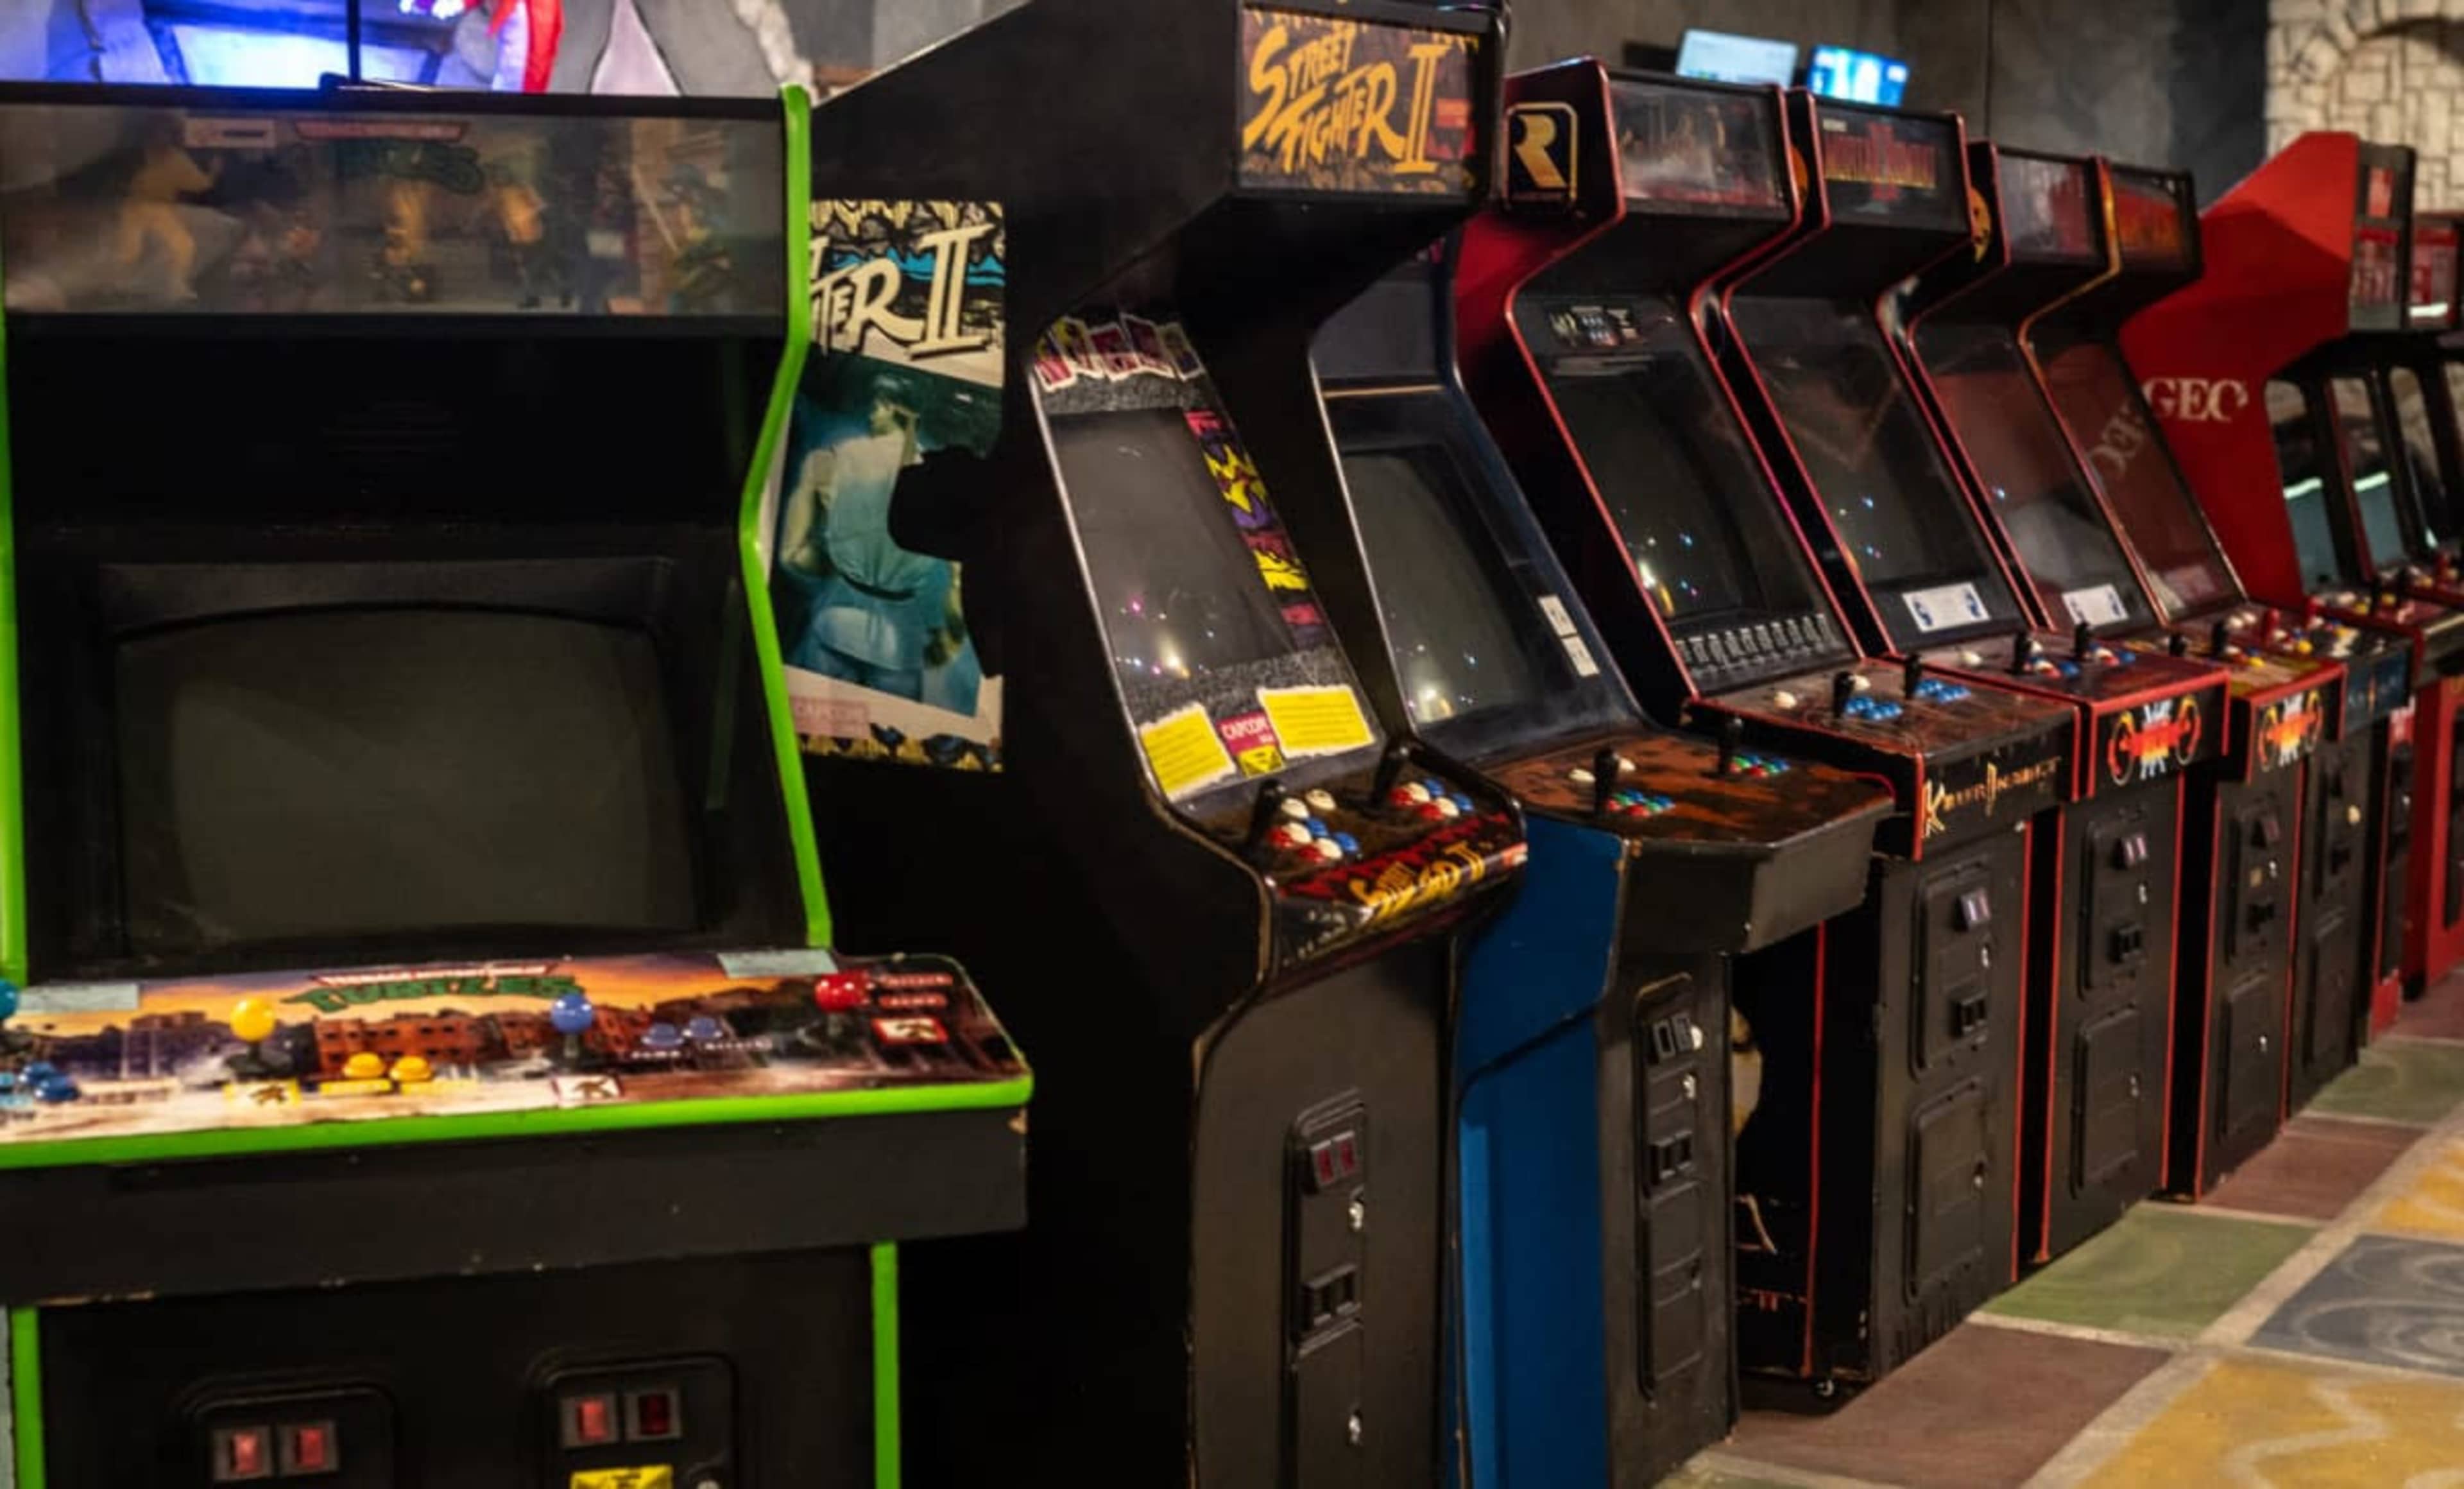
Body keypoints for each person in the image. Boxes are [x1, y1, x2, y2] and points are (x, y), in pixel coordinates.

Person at [778, 395, 976, 711]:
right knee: (887, 739)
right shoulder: (946, 486)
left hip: (834, 617)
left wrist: (838, 568)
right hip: (901, 643)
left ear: (895, 409)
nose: (870, 412)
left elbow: (792, 555)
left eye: (878, 405)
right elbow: (961, 581)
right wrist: (951, 641)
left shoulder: (828, 461)